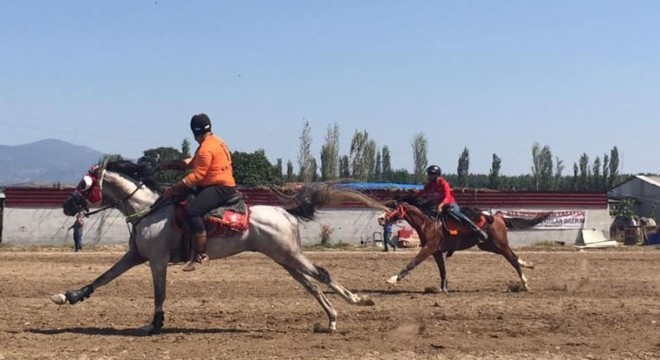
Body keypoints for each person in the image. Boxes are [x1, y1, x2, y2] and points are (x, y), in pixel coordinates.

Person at [161, 113, 237, 271]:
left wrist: (173, 189)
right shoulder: (215, 141)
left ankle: (201, 254)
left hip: (219, 187)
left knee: (192, 211)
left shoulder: (205, 148)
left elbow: (198, 175)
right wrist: (172, 164)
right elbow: (192, 163)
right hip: (217, 184)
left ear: (194, 132)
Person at [417, 165, 488, 241]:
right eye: (429, 174)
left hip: (450, 204)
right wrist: (413, 195)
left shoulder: (443, 183)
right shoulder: (430, 185)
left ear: (437, 174)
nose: (429, 176)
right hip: (439, 206)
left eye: (431, 174)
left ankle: (476, 229)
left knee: (456, 214)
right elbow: (423, 192)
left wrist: (441, 205)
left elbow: (447, 196)